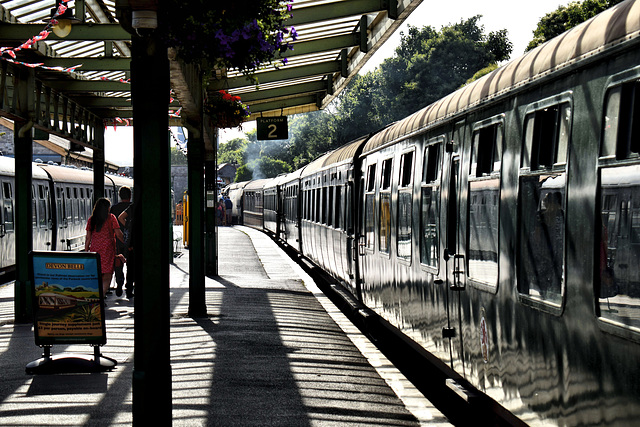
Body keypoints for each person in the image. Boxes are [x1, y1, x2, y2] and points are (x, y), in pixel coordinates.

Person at [85, 198, 124, 297]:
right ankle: (101, 296)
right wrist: (126, 243)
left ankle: (97, 295)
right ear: (107, 208)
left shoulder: (91, 219)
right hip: (108, 249)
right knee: (107, 275)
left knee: (98, 273)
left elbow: (88, 237)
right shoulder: (111, 218)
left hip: (95, 248)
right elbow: (118, 234)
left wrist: (86, 251)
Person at [110, 186, 132, 297]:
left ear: (119, 196)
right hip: (131, 241)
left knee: (118, 263)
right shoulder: (132, 207)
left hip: (118, 240)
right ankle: (129, 286)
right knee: (131, 264)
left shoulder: (114, 208)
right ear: (130, 195)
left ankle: (119, 282)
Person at [117, 203, 135, 299]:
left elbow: (120, 217)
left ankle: (129, 289)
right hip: (136, 241)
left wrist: (128, 226)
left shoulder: (132, 206)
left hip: (130, 243)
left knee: (130, 268)